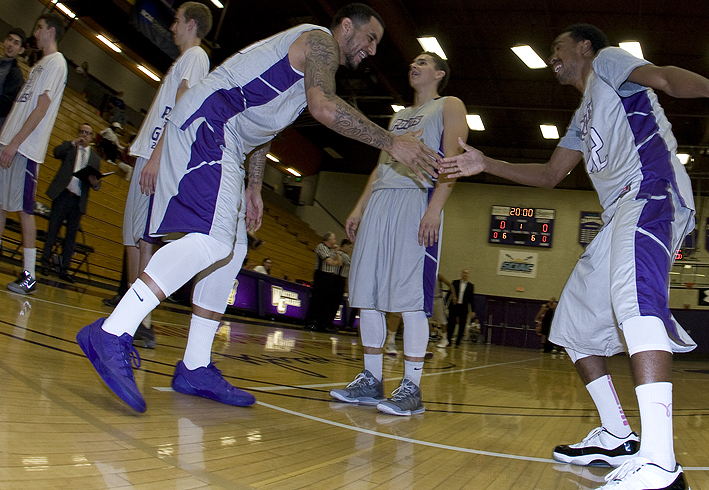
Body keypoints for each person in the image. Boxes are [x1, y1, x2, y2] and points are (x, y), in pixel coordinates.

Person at [75, 3, 440, 414]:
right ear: (345, 26)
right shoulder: (320, 42)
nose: (372, 50)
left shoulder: (308, 63)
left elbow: (263, 125)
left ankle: (195, 365)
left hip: (231, 139)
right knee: (211, 242)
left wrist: (253, 186)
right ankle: (112, 331)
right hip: (210, 124)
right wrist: (392, 143)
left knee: (232, 252)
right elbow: (324, 109)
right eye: (370, 38)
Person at [440, 23, 709, 489]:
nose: (553, 56)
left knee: (636, 301)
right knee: (572, 325)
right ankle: (615, 434)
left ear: (585, 47)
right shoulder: (581, 116)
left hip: (650, 194)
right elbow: (550, 175)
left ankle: (660, 462)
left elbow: (665, 78)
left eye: (558, 46)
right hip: (617, 216)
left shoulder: (608, 64)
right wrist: (486, 164)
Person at [331, 51, 467, 416]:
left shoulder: (449, 105)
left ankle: (412, 388)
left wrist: (434, 210)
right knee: (368, 293)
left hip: (416, 200)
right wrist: (360, 207)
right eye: (414, 60)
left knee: (410, 298)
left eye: (424, 61)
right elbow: (380, 167)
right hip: (381, 203)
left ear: (439, 73)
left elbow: (452, 159)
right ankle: (371, 381)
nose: (415, 64)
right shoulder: (399, 116)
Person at [122, 1, 211, 350]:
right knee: (133, 238)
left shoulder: (196, 57)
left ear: (191, 24)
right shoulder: (185, 59)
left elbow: (184, 105)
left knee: (145, 240)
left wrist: (158, 156)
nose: (171, 27)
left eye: (175, 21)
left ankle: (142, 322)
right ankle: (131, 315)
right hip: (149, 152)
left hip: (156, 157)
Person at [0, 14, 68, 295]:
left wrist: (15, 144)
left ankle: (29, 275)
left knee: (24, 209)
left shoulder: (56, 63)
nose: (35, 32)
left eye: (39, 28)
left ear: (51, 31)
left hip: (24, 148)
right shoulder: (40, 63)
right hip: (6, 142)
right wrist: (5, 140)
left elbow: (42, 108)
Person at [40, 123, 101, 282]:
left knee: (71, 236)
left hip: (78, 199)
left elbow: (97, 182)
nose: (84, 135)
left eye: (87, 133)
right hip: (63, 194)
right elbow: (56, 152)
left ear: (92, 137)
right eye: (82, 131)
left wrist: (95, 184)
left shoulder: (95, 158)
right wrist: (73, 142)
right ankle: (45, 262)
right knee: (53, 229)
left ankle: (64, 269)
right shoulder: (70, 148)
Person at [0, 28, 26, 195]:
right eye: (9, 39)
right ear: (4, 41)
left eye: (16, 43)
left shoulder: (15, 74)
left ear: (21, 50)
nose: (11, 44)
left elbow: (5, 106)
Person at [311, 232, 343, 331]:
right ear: (328, 240)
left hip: (330, 276)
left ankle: (322, 323)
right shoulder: (321, 247)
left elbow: (340, 263)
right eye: (333, 239)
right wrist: (335, 262)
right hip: (322, 275)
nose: (335, 241)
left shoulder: (332, 250)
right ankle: (312, 321)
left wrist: (337, 252)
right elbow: (329, 262)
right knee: (318, 299)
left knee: (327, 301)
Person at [444, 269, 474, 347]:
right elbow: (448, 294)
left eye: (467, 273)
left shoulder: (471, 286)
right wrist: (445, 305)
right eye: (464, 273)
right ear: (461, 274)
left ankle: (458, 342)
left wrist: (473, 310)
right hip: (454, 306)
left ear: (468, 275)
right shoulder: (455, 283)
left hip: (463, 308)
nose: (465, 274)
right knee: (451, 324)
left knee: (462, 325)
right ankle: (449, 341)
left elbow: (471, 299)